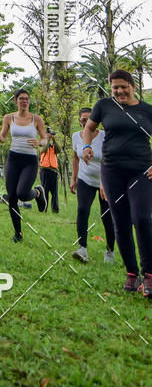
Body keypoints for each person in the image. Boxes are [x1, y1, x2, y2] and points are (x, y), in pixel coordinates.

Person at [83, 70, 152, 296]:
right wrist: (86, 146)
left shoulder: (147, 110)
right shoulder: (104, 105)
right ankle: (132, 274)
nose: (119, 91)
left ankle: (149, 274)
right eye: (115, 88)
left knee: (141, 218)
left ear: (133, 86)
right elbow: (89, 128)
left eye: (123, 86)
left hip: (141, 171)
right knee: (120, 221)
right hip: (112, 170)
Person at [0, 89, 48, 242]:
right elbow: (4, 138)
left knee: (22, 194)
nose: (24, 101)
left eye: (27, 99)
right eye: (21, 99)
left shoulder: (36, 119)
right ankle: (18, 234)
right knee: (12, 197)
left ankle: (38, 193)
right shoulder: (8, 118)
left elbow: (44, 139)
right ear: (15, 101)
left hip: (29, 161)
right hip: (13, 159)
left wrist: (40, 142)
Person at [70, 107, 115, 264]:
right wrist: (74, 178)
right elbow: (76, 158)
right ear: (79, 121)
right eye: (83, 120)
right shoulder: (76, 137)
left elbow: (110, 160)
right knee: (82, 210)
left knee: (106, 216)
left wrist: (105, 180)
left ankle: (110, 251)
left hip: (106, 180)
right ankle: (82, 248)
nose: (86, 123)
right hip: (85, 179)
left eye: (89, 120)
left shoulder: (104, 136)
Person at [39, 128, 60, 213]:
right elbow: (43, 150)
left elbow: (59, 150)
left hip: (53, 171)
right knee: (45, 191)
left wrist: (54, 140)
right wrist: (47, 140)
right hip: (45, 170)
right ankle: (44, 208)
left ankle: (55, 210)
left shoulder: (53, 146)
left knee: (55, 192)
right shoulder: (41, 144)